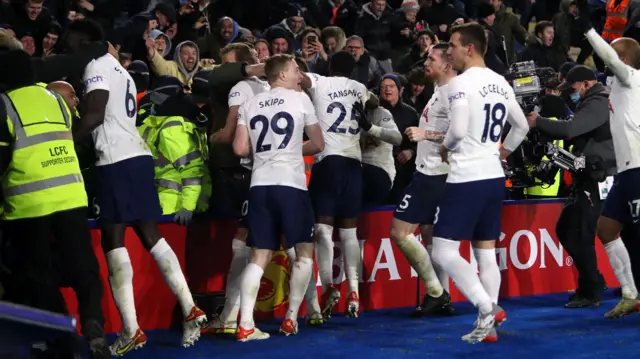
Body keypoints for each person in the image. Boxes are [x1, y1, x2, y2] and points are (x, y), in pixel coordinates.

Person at [69, 20, 207, 355]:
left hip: (114, 161)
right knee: (150, 235)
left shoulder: (96, 66)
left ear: (88, 41)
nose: (71, 49)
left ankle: (130, 329)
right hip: (138, 158)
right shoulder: (121, 70)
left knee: (113, 238)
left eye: (74, 43)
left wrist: (65, 144)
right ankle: (190, 306)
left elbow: (95, 115)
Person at [0, 48, 110, 359]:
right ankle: (93, 323)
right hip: (72, 196)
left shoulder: (4, 105)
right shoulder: (56, 99)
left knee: (37, 274)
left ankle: (61, 339)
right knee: (83, 267)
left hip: (28, 203)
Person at [431, 22, 529, 343]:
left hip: (466, 177)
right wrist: (502, 153)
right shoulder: (501, 82)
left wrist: (445, 147)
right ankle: (489, 328)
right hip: (492, 176)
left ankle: (488, 308)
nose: (450, 52)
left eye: (454, 46)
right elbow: (522, 127)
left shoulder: (460, 84)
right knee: (485, 251)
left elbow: (457, 131)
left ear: (469, 49)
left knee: (443, 251)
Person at [232, 54, 325, 341]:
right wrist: (290, 150)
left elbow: (238, 148)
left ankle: (245, 324)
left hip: (259, 185)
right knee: (304, 252)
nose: (300, 74)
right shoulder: (300, 100)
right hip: (291, 185)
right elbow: (319, 144)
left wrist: (265, 153)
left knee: (259, 256)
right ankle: (291, 318)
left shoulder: (249, 103)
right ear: (282, 74)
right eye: (296, 69)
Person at [527, 65, 615, 308]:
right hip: (589, 176)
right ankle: (594, 282)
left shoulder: (598, 102)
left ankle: (591, 290)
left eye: (573, 88)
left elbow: (570, 129)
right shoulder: (593, 101)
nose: (570, 93)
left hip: (599, 178)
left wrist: (538, 122)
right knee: (569, 228)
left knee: (579, 232)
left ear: (586, 84)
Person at [301, 51, 378, 319]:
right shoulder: (359, 87)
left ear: (330, 66)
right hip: (353, 164)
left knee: (323, 228)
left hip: (329, 162)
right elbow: (375, 100)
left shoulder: (320, 81)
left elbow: (299, 78)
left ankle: (329, 286)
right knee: (349, 232)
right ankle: (354, 292)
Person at [206, 43, 272, 335]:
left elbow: (233, 136)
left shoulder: (240, 87)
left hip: (244, 170)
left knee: (247, 243)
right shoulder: (268, 88)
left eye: (226, 64)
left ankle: (235, 317)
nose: (222, 70)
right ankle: (234, 315)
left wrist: (210, 139)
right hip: (271, 172)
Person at [583, 29, 640, 317]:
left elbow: (607, 56)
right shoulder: (619, 83)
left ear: (624, 58)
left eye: (612, 52)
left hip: (638, 169)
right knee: (606, 228)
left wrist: (587, 30)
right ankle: (631, 293)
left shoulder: (631, 78)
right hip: (626, 171)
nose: (604, 60)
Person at [397, 42, 456, 317]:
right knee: (433, 236)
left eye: (431, 59)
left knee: (400, 232)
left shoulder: (452, 94)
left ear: (447, 64)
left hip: (434, 174)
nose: (426, 64)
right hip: (432, 171)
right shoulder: (439, 92)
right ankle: (441, 299)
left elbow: (463, 135)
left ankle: (436, 291)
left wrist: (425, 135)